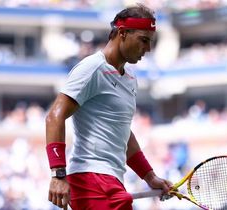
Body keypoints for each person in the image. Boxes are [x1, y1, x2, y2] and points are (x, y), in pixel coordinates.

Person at [45, 4, 173, 210]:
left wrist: (149, 176)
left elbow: (122, 132)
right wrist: (58, 174)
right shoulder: (92, 68)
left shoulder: (130, 79)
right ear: (122, 33)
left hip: (111, 181)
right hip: (90, 180)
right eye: (143, 40)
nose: (148, 49)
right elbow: (54, 116)